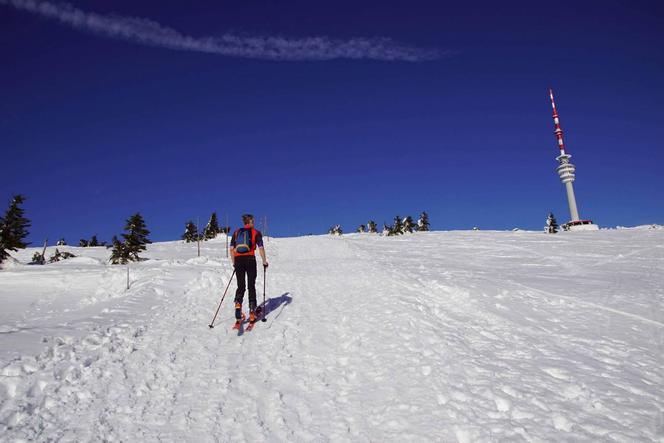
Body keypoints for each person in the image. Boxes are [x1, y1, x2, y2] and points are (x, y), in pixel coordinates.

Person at [230, 214, 268, 326]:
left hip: (238, 261)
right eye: (253, 221)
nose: (253, 222)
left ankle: (238, 303)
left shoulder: (236, 232)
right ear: (250, 221)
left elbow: (231, 249)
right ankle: (252, 311)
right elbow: (261, 248)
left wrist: (234, 263)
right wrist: (264, 261)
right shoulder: (256, 232)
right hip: (250, 260)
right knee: (251, 285)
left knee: (240, 286)